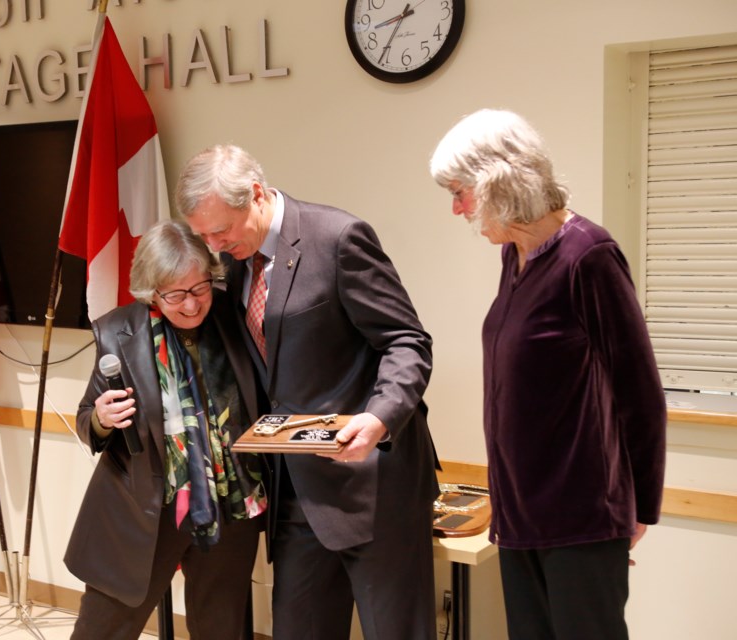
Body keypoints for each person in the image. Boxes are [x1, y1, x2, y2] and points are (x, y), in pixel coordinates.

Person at [175, 144, 440, 640]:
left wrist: (380, 417)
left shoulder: (337, 238)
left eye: (221, 230)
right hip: (294, 490)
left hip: (372, 483)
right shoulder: (235, 264)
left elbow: (407, 342)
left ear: (255, 195)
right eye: (203, 234)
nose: (213, 244)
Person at [430, 109, 667, 640]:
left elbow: (640, 393)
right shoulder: (515, 257)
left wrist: (641, 507)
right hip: (519, 514)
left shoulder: (590, 255)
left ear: (499, 181)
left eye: (460, 191)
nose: (456, 208)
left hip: (581, 516)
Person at [64, 219, 268, 640]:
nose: (192, 305)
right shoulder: (117, 332)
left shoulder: (232, 316)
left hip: (229, 505)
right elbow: (88, 419)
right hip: (147, 509)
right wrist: (101, 417)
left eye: (199, 289)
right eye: (176, 295)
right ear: (151, 292)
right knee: (105, 629)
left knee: (221, 628)